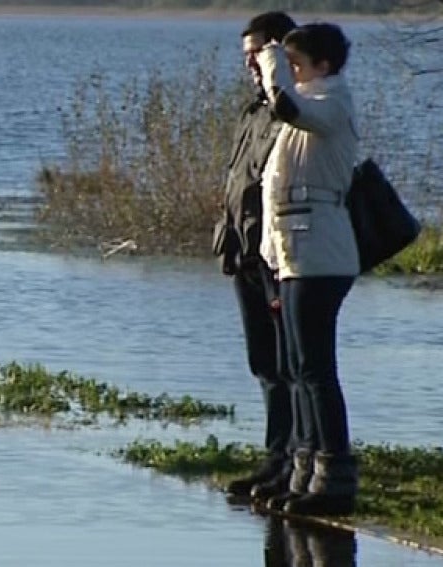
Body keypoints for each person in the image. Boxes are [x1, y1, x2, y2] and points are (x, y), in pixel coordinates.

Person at [253, 23, 360, 516]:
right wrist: (271, 259)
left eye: (297, 65)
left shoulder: (332, 104)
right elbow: (277, 191)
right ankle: (303, 468)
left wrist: (273, 65)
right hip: (297, 255)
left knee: (316, 369)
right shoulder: (310, 107)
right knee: (297, 367)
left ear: (323, 66)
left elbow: (287, 106)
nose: (288, 74)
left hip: (322, 257)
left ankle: (333, 475)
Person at [217, 11, 298, 499]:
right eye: (245, 56)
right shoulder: (251, 113)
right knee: (263, 363)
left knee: (293, 363)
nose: (249, 64)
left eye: (256, 55)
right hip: (244, 256)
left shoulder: (292, 111)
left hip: (279, 257)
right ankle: (276, 456)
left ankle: (296, 457)